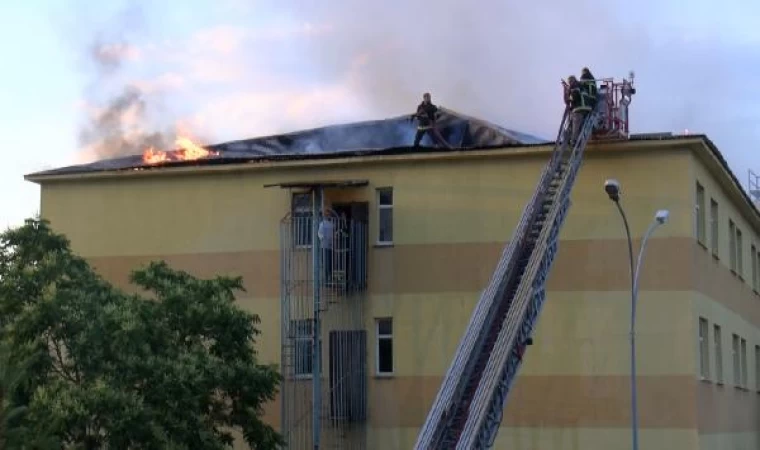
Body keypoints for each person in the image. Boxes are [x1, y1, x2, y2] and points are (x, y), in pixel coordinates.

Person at [317, 213, 334, 283]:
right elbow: (333, 235)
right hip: (330, 246)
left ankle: (326, 277)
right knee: (330, 262)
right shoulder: (332, 224)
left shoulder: (322, 224)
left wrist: (323, 238)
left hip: (323, 246)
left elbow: (320, 235)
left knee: (324, 262)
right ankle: (329, 276)